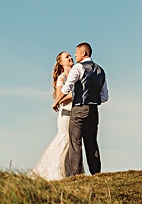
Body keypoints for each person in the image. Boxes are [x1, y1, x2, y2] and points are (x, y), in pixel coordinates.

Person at [53, 41, 108, 176]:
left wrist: (56, 102)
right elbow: (105, 96)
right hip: (94, 110)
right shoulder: (101, 70)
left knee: (75, 142)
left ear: (84, 53)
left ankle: (77, 174)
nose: (75, 55)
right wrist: (93, 101)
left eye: (77, 53)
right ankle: (96, 173)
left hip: (78, 109)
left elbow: (67, 88)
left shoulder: (78, 68)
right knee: (92, 142)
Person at [31, 51, 75, 180]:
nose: (70, 57)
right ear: (61, 62)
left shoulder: (73, 75)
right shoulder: (62, 77)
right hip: (66, 114)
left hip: (73, 112)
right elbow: (59, 96)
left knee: (72, 140)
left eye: (71, 56)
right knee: (65, 138)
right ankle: (57, 171)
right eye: (67, 57)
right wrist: (76, 95)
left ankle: (69, 170)